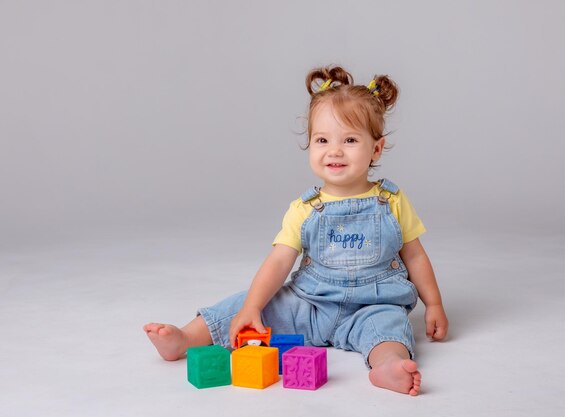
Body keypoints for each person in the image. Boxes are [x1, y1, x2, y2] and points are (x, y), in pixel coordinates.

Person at [144, 65, 448, 396]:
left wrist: (433, 303)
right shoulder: (304, 208)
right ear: (310, 145)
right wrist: (252, 307)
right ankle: (187, 339)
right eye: (322, 140)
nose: (334, 150)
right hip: (310, 302)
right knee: (248, 305)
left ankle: (387, 366)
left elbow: (415, 255)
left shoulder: (391, 200)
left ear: (375, 149)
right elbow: (278, 262)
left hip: (373, 304)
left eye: (349, 140)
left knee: (390, 328)